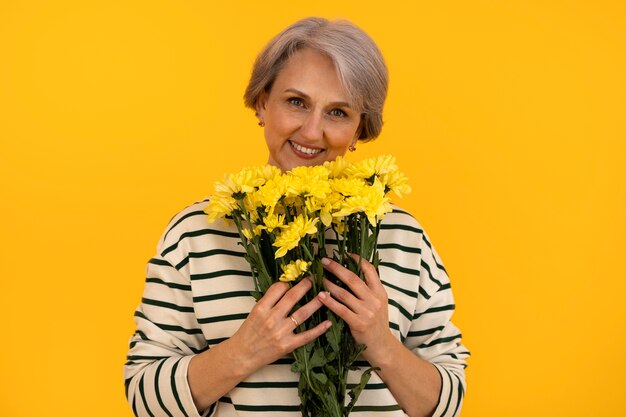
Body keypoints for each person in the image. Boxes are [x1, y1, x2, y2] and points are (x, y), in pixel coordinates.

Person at [124, 17, 469, 417]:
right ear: (261, 104)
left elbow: (448, 403)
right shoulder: (196, 233)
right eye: (296, 102)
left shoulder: (403, 237)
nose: (311, 131)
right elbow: (144, 398)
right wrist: (243, 352)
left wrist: (381, 345)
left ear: (360, 130)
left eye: (338, 112)